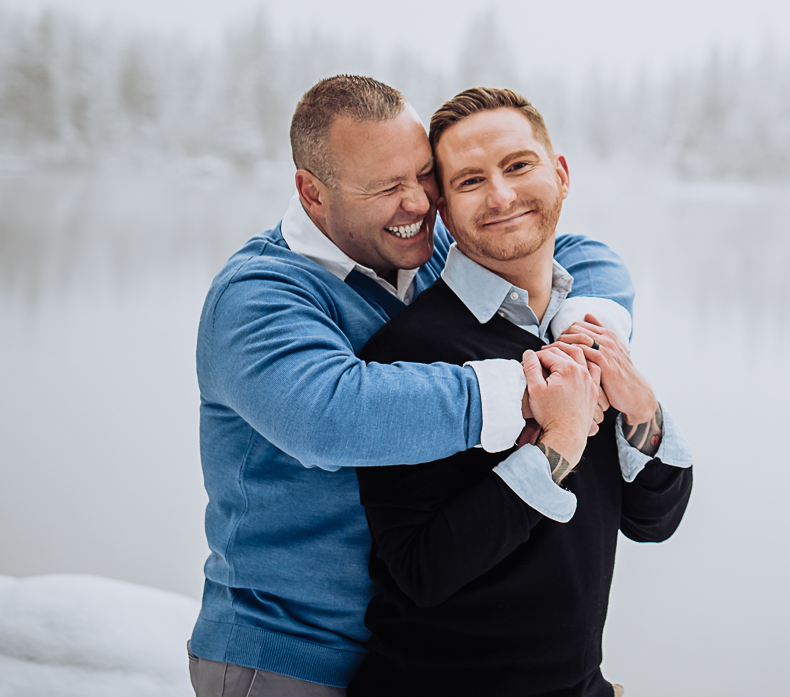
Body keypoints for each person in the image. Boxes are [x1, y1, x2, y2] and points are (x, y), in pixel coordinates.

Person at [189, 75, 636, 697]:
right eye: (385, 187)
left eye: (424, 175)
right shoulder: (258, 295)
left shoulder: (421, 247)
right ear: (312, 193)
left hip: (409, 646)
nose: (419, 203)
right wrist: (536, 391)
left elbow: (575, 250)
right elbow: (333, 416)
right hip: (290, 651)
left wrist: (586, 331)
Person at [347, 88, 693, 697]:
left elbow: (653, 521)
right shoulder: (407, 352)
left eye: (518, 165)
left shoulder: (583, 331)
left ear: (561, 175)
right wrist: (557, 443)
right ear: (444, 211)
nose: (502, 195)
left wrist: (645, 410)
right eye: (471, 180)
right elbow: (422, 570)